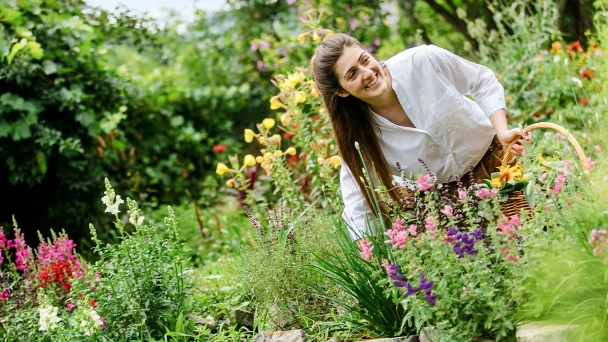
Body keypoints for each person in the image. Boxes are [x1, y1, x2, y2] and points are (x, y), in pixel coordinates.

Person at [310, 33, 531, 240]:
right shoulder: (358, 132)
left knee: (533, 237)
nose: (366, 72)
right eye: (352, 74)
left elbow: (482, 81)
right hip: (443, 206)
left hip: (497, 167)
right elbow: (357, 203)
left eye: (364, 60)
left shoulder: (422, 62)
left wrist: (502, 132)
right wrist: (370, 260)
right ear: (341, 91)